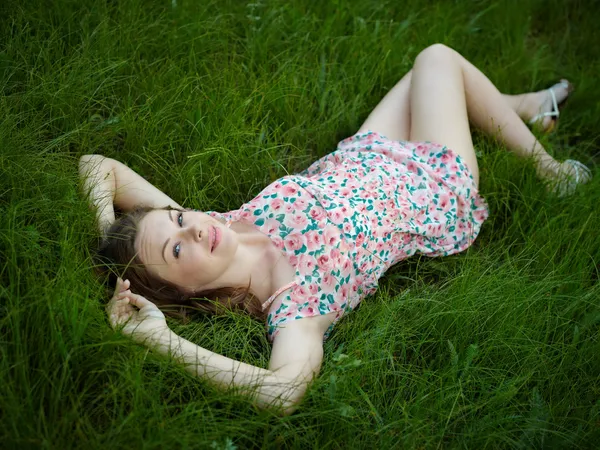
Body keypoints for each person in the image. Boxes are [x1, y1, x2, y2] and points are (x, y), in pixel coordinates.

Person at [79, 44, 592, 416]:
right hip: (429, 185)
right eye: (174, 248)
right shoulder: (294, 305)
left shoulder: (216, 226)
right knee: (438, 60)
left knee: (428, 71)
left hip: (367, 152)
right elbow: (281, 393)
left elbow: (97, 165)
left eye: (178, 218)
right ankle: (551, 173)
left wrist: (116, 246)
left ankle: (520, 108)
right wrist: (161, 340)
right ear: (183, 293)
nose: (190, 229)